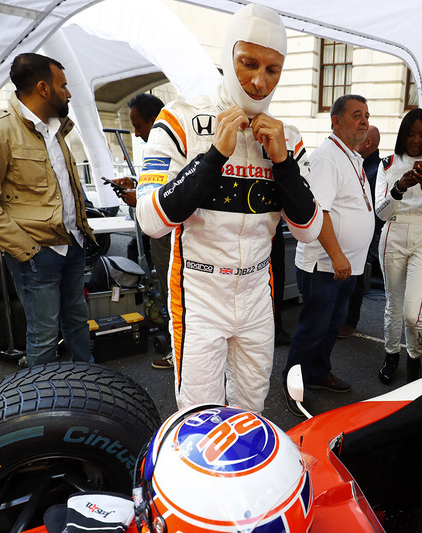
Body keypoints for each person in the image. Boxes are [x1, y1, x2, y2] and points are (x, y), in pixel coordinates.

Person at [135, 4, 323, 413]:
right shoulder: (179, 119)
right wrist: (213, 157)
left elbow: (309, 229)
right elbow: (150, 220)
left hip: (258, 291)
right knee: (199, 414)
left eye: (273, 70)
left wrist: (284, 164)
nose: (259, 81)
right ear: (227, 57)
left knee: (251, 409)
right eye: (248, 63)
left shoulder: (287, 136)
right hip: (200, 291)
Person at [0, 53, 95, 367]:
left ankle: (90, 384)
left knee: (77, 321)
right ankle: (43, 404)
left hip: (73, 244)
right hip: (38, 254)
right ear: (43, 88)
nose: (69, 93)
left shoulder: (58, 129)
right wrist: (29, 250)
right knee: (44, 334)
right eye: (63, 85)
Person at [282, 94, 374, 416]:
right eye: (356, 115)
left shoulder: (351, 157)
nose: (363, 121)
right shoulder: (327, 159)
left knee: (331, 325)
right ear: (335, 120)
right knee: (312, 328)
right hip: (325, 265)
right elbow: (318, 212)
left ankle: (318, 374)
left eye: (365, 115)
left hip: (345, 266)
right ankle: (293, 384)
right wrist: (336, 255)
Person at [374, 109, 422, 384]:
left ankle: (414, 358)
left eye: (421, 134)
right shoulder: (387, 164)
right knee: (393, 305)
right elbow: (380, 211)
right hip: (393, 231)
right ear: (402, 134)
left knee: (412, 311)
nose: (416, 140)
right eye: (410, 134)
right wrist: (399, 187)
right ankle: (391, 354)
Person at [112, 93, 176, 370]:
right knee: (169, 291)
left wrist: (141, 199)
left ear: (154, 121)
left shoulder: (172, 147)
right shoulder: (164, 147)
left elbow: (177, 193)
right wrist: (137, 186)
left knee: (175, 294)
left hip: (172, 238)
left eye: (139, 126)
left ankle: (180, 353)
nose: (136, 135)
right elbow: (165, 185)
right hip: (164, 237)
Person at [338, 124, 382, 339]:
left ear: (368, 143)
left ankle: (349, 321)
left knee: (355, 278)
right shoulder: (361, 164)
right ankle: (345, 319)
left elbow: (369, 205)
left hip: (365, 235)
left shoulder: (374, 169)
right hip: (357, 233)